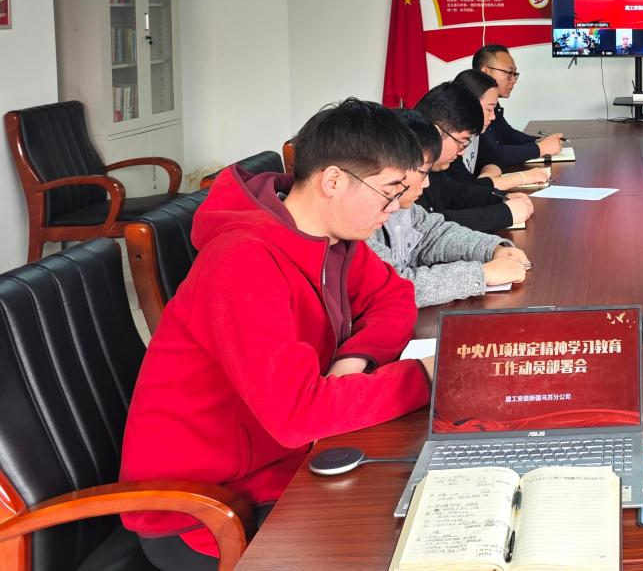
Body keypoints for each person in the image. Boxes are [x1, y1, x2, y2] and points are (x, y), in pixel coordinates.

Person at [120, 99, 436, 570]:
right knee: (392, 541)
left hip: (284, 463)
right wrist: (425, 377)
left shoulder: (331, 238)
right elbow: (298, 415)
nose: (393, 211)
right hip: (204, 508)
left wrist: (355, 360)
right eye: (388, 193)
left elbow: (393, 296)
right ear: (333, 181)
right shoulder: (242, 261)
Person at [369, 108, 530, 306]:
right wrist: (481, 274)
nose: (427, 183)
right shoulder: (362, 224)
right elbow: (393, 290)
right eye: (423, 172)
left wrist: (492, 248)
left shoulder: (402, 206)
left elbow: (434, 234)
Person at [415, 81, 533, 233]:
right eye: (461, 141)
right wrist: (503, 214)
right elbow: (425, 226)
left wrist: (502, 198)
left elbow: (455, 193)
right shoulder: (404, 164)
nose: (461, 152)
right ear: (437, 131)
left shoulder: (434, 167)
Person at [450, 68, 550, 191]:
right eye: (489, 109)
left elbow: (494, 159)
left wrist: (486, 178)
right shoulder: (450, 144)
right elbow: (466, 190)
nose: (493, 117)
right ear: (468, 105)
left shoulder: (477, 134)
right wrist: (522, 177)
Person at [474, 44, 564, 162]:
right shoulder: (471, 106)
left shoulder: (492, 103)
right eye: (508, 73)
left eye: (514, 74)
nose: (513, 80)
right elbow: (491, 154)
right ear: (485, 72)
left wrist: (537, 141)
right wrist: (540, 149)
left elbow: (508, 134)